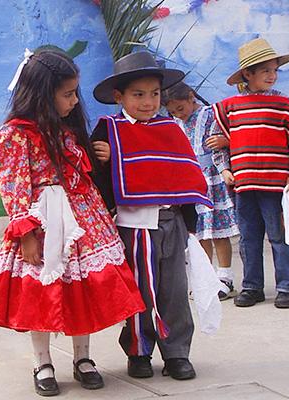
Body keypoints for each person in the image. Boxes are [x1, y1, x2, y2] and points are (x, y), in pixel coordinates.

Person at [0, 49, 145, 396]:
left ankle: (83, 357)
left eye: (75, 93)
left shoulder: (68, 130)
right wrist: (26, 233)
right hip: (42, 222)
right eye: (68, 94)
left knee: (81, 289)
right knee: (41, 292)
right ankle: (42, 361)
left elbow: (83, 177)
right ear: (43, 93)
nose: (75, 100)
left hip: (81, 219)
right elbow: (13, 186)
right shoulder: (15, 134)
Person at [91, 51, 213, 381]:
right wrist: (104, 160)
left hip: (170, 221)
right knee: (140, 292)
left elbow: (185, 175)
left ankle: (176, 353)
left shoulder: (171, 129)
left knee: (174, 289)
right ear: (119, 97)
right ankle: (139, 350)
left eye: (155, 94)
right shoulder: (109, 131)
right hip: (133, 226)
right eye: (138, 95)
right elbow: (95, 180)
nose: (148, 102)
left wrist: (190, 226)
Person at [211, 37, 289, 309]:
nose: (272, 75)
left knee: (279, 236)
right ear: (247, 74)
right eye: (265, 70)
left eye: (275, 70)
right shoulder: (229, 108)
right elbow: (217, 141)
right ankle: (252, 287)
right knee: (249, 237)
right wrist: (225, 169)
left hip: (276, 185)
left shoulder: (284, 105)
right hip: (244, 184)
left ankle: (286, 287)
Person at [163, 82, 240, 300]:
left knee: (218, 230)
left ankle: (225, 277)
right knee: (198, 233)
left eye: (181, 108)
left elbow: (233, 135)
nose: (179, 114)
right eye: (173, 111)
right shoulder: (174, 123)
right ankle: (205, 278)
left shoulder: (211, 114)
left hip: (212, 178)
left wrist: (226, 141)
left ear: (191, 97)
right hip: (189, 181)